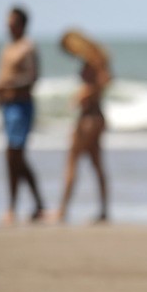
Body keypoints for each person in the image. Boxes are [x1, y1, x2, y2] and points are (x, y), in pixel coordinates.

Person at [0, 5, 46, 224]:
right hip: (7, 106)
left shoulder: (27, 47)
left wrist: (7, 83)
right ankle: (30, 205)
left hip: (21, 106)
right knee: (12, 158)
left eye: (12, 23)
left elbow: (33, 78)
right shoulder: (8, 48)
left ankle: (21, 206)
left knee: (16, 156)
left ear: (21, 25)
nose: (8, 27)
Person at [53, 29, 111, 224]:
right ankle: (103, 210)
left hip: (88, 117)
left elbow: (103, 81)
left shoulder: (93, 61)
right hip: (98, 116)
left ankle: (62, 211)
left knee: (72, 161)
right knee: (97, 164)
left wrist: (83, 95)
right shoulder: (100, 57)